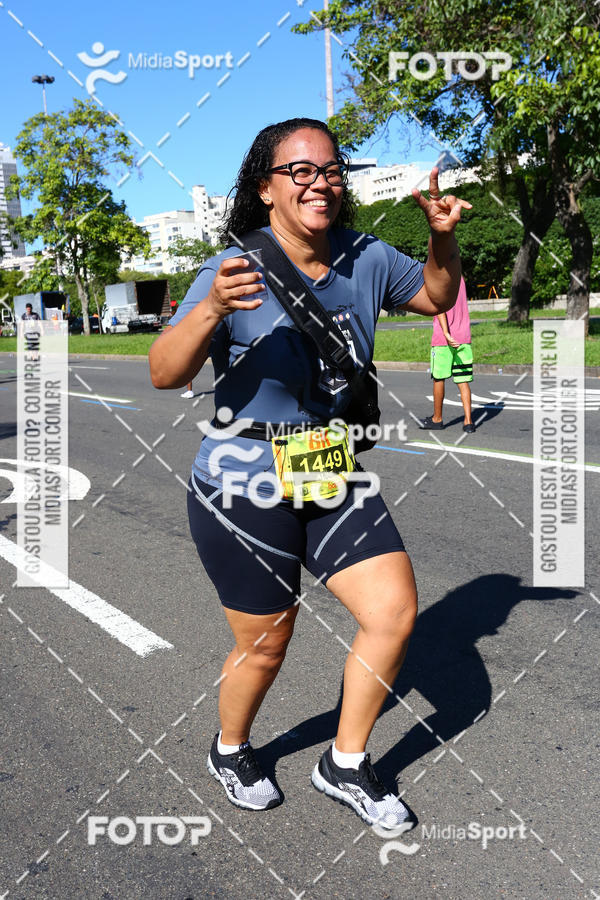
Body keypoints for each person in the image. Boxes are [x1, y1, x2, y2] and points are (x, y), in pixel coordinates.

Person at [149, 117, 470, 828]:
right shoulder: (232, 267)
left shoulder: (367, 256)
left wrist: (442, 236)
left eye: (329, 170)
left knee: (392, 611)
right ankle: (231, 748)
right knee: (266, 644)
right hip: (241, 476)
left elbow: (438, 298)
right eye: (299, 171)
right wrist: (208, 309)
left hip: (325, 461)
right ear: (266, 188)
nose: (319, 182)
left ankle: (344, 763)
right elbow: (163, 374)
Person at [420, 276, 475, 433]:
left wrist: (446, 332)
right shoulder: (461, 278)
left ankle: (437, 419)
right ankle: (468, 422)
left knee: (439, 378)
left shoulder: (439, 279)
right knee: (463, 380)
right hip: (464, 336)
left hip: (444, 339)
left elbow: (440, 307)